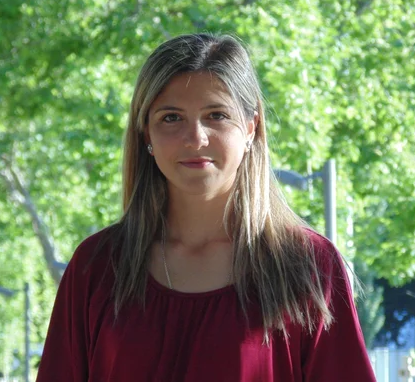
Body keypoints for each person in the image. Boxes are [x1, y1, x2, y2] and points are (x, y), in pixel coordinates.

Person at [36, 33, 376, 381]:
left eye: (216, 115)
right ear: (145, 135)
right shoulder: (95, 268)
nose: (195, 137)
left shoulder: (308, 266)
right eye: (171, 118)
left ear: (250, 127)